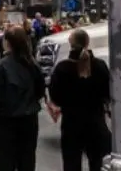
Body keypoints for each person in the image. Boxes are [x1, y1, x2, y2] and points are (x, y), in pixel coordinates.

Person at [0, 27, 44, 171]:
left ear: (7, 43)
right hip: (29, 119)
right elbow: (40, 90)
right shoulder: (33, 64)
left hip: (7, 120)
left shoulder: (1, 66)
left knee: (5, 160)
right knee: (27, 159)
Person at [47, 28, 110, 171]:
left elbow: (55, 96)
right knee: (97, 163)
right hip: (96, 122)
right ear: (88, 43)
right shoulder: (100, 66)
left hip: (72, 124)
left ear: (70, 44)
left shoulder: (63, 68)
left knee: (71, 163)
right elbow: (108, 92)